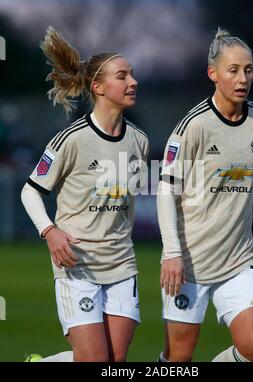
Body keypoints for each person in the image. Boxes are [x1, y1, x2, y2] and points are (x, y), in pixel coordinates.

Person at [157, 28, 253, 362]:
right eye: (233, 70)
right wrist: (172, 253)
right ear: (213, 74)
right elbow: (166, 190)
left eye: (249, 69)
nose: (243, 78)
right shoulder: (193, 126)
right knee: (178, 360)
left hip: (238, 260)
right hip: (189, 262)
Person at [21, 26, 148, 362]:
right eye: (122, 76)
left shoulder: (140, 141)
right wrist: (49, 231)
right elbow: (30, 191)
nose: (132, 82)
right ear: (99, 87)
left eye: (132, 75)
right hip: (77, 265)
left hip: (122, 264)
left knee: (114, 363)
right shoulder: (71, 139)